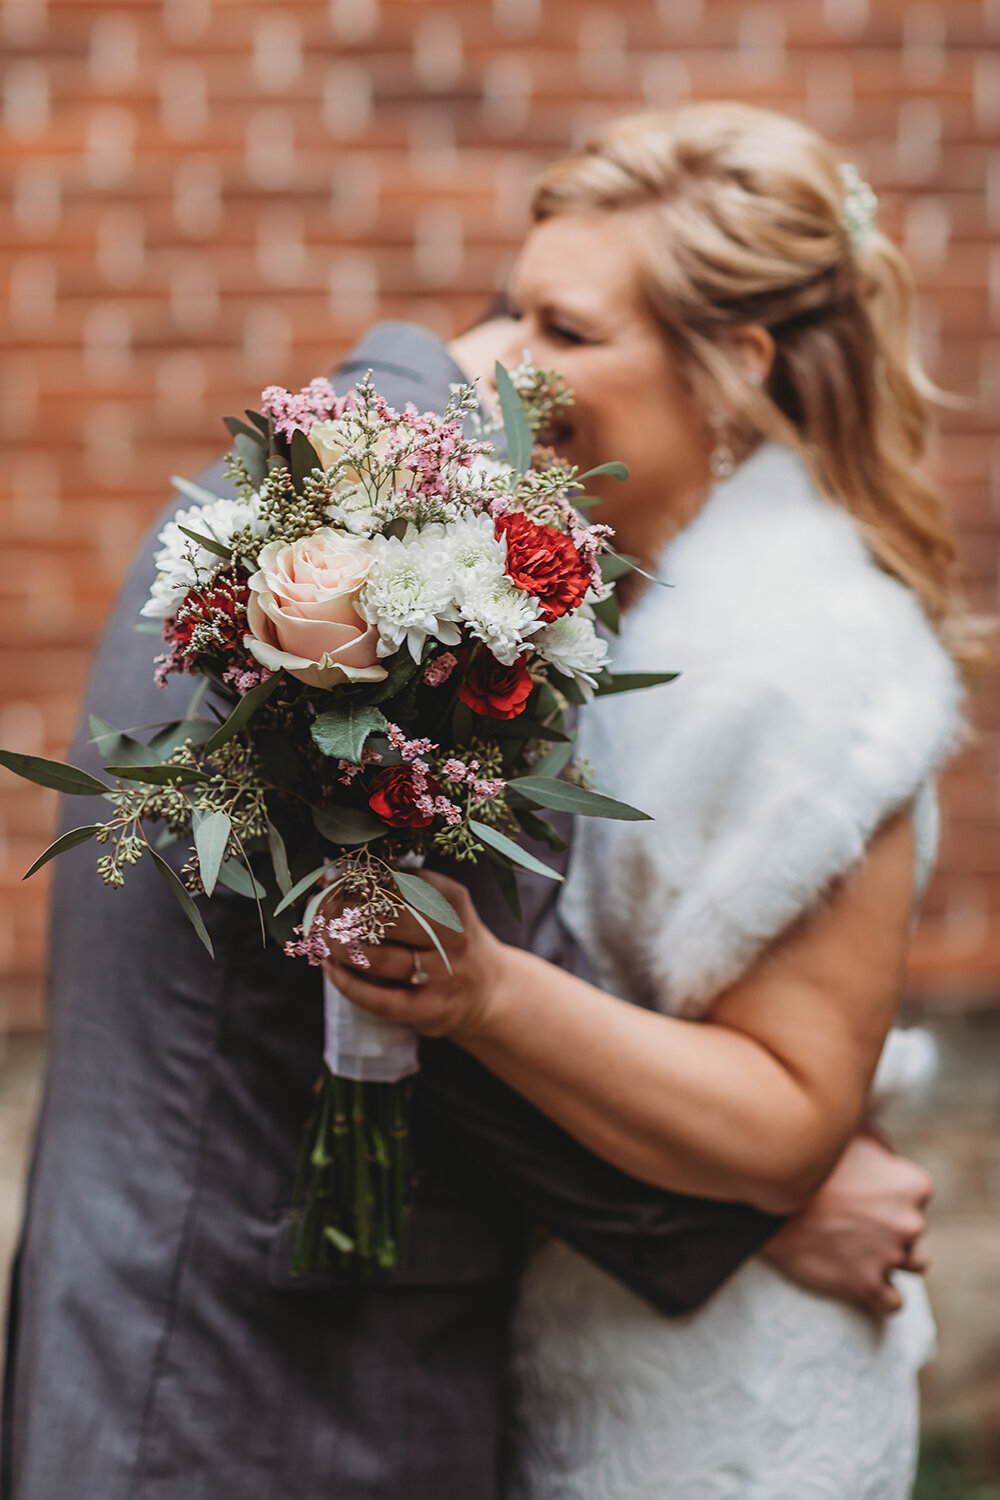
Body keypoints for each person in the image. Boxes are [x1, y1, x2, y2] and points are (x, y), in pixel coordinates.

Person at [323, 102, 971, 1498]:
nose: (494, 363)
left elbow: (793, 1116)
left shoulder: (811, 649)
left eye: (565, 329)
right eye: (510, 311)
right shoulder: (615, 599)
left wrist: (483, 991)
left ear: (732, 367)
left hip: (724, 1406)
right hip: (591, 1344)